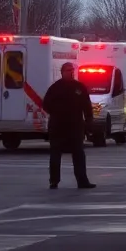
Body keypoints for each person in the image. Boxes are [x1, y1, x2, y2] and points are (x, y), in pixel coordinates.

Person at [42, 62, 96, 190]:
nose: (70, 72)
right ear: (62, 72)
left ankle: (82, 181)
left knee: (78, 153)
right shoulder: (55, 88)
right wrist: (57, 113)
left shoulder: (79, 87)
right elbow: (46, 104)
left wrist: (89, 120)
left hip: (75, 126)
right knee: (55, 154)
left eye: (72, 70)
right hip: (58, 126)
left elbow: (87, 106)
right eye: (67, 70)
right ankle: (54, 181)